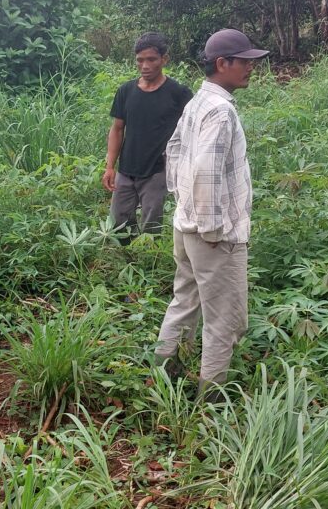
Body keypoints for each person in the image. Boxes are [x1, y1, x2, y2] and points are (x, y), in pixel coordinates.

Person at [155, 28, 268, 400]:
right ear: (223, 64)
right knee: (226, 320)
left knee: (185, 300)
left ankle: (163, 374)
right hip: (211, 235)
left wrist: (182, 201)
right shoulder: (220, 110)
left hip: (186, 226)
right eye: (245, 62)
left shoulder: (199, 101)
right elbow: (205, 169)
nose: (251, 68)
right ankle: (210, 401)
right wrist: (213, 229)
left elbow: (173, 151)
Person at [103, 32, 192, 245]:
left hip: (158, 170)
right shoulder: (126, 91)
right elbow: (117, 129)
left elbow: (192, 131)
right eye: (140, 60)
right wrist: (109, 167)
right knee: (118, 222)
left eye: (151, 59)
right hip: (126, 169)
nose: (145, 65)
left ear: (164, 59)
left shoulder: (178, 93)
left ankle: (148, 265)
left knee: (152, 226)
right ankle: (124, 262)